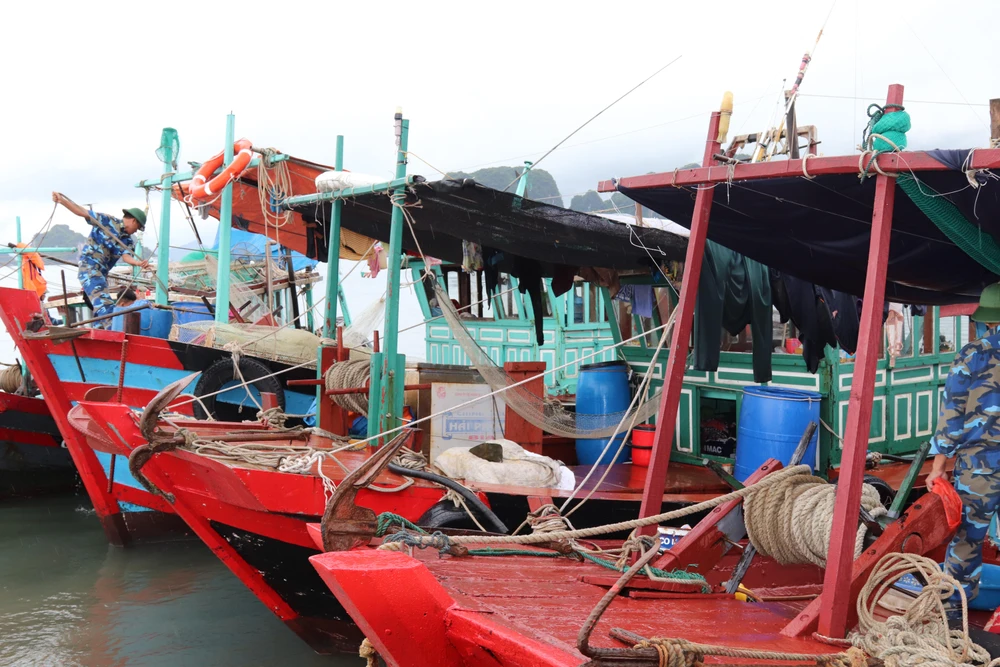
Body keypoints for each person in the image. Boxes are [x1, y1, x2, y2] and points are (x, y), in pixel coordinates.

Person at [926, 282, 1000, 602]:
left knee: (966, 549)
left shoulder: (971, 355)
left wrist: (937, 469)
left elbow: (951, 420)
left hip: (978, 470)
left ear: (988, 321)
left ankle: (954, 624)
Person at [51, 192, 149, 327]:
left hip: (101, 274)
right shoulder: (107, 221)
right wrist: (62, 201)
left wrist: (138, 263)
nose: (135, 231)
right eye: (137, 228)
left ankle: (99, 332)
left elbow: (126, 257)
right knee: (104, 305)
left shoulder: (127, 240)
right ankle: (114, 331)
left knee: (99, 309)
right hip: (89, 268)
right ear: (133, 221)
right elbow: (82, 212)